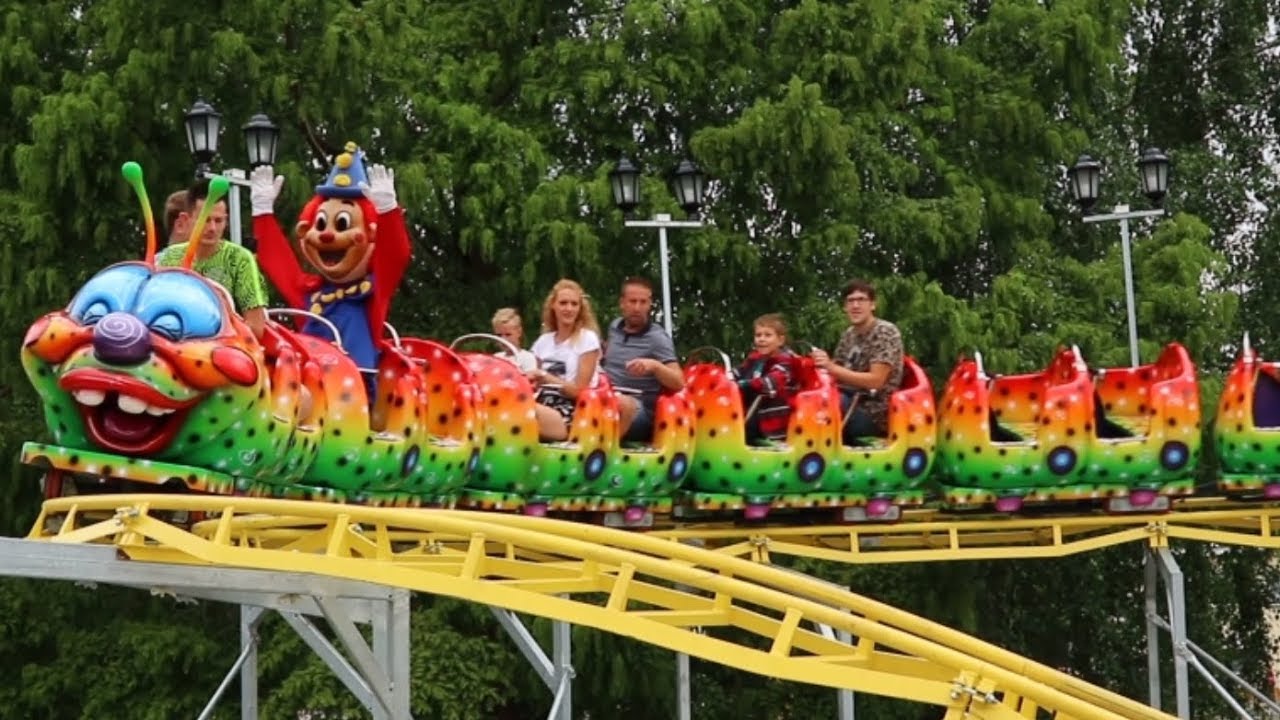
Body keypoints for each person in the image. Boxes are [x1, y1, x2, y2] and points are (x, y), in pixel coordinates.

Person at [155, 179, 269, 338]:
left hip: (224, 349)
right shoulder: (169, 257)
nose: (212, 228)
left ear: (226, 221)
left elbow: (256, 328)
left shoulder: (240, 259)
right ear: (188, 219)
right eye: (205, 220)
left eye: (218, 220)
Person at [811, 279, 904, 444]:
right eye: (850, 301)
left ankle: (810, 452)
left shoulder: (885, 332)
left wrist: (830, 367)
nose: (855, 305)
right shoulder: (849, 334)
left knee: (824, 402)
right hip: (849, 400)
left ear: (872, 305)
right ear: (845, 307)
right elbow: (836, 371)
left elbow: (876, 381)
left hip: (873, 412)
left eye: (861, 300)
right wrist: (819, 365)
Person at [600, 277, 684, 443]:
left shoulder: (657, 338)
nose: (637, 308)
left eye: (643, 302)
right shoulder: (614, 327)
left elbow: (679, 382)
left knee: (619, 405)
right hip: (607, 396)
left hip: (640, 411)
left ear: (649, 304)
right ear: (622, 303)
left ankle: (604, 451)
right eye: (632, 301)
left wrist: (654, 366)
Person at [527, 279, 601, 442]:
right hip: (542, 401)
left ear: (580, 309)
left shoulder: (587, 339)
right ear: (553, 306)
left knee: (519, 409)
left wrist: (546, 376)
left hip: (571, 409)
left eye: (574, 304)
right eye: (563, 303)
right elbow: (535, 384)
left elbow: (579, 392)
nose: (569, 309)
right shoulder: (543, 342)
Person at [735, 313, 800, 444]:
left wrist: (742, 384)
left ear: (780, 340)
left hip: (774, 417)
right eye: (758, 335)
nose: (761, 339)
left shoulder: (786, 361)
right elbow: (738, 371)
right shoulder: (755, 359)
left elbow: (771, 383)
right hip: (755, 410)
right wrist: (724, 379)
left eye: (767, 335)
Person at [491, 307, 539, 373]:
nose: (503, 339)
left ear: (519, 332)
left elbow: (529, 380)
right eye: (499, 335)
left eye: (508, 334)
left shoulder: (527, 358)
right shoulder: (496, 357)